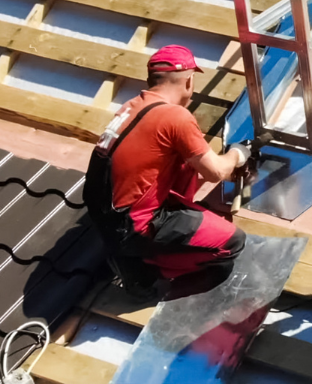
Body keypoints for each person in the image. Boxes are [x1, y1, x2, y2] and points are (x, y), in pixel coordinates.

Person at [84, 44, 251, 290]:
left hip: (111, 220)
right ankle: (147, 270)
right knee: (232, 243)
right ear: (188, 81)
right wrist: (237, 154)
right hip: (138, 227)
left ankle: (143, 250)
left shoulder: (131, 107)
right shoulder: (176, 117)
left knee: (188, 164)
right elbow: (216, 172)